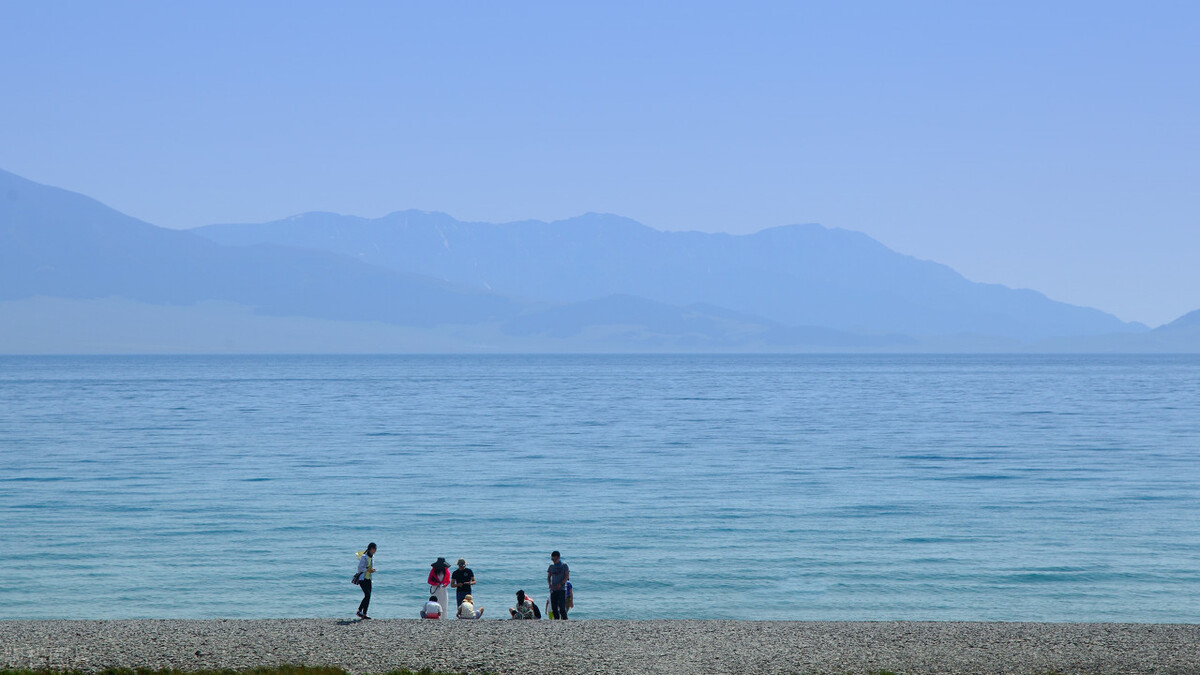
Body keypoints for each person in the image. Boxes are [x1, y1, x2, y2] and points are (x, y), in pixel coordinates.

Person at [354, 542, 377, 620]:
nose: (375, 550)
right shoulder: (364, 557)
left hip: (369, 579)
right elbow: (360, 568)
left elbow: (370, 567)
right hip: (362, 579)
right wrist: (368, 570)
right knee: (367, 595)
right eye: (374, 549)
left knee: (368, 596)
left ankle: (364, 613)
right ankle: (359, 611)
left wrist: (372, 570)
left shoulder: (372, 557)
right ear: (371, 548)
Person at [546, 550, 570, 620]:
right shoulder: (551, 567)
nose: (553, 561)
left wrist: (561, 583)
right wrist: (549, 584)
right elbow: (548, 577)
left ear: (559, 558)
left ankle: (565, 620)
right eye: (552, 559)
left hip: (562, 589)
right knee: (554, 607)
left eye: (555, 559)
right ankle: (556, 620)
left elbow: (567, 576)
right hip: (553, 589)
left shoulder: (564, 566)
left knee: (562, 607)